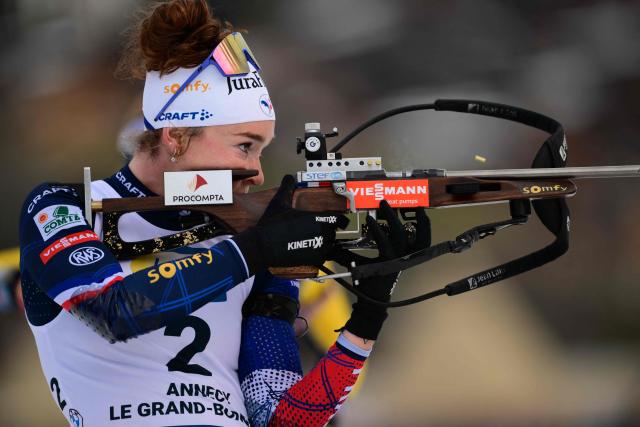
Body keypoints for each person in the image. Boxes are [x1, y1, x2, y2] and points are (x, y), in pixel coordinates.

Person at [18, 1, 429, 426]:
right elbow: (116, 311)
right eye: (244, 146)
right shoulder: (64, 207)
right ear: (176, 136)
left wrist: (368, 315)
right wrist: (254, 249)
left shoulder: (249, 242)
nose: (257, 172)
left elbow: (282, 419)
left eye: (262, 149)